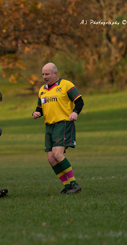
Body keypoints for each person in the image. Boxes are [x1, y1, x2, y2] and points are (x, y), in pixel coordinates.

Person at [32, 62, 84, 194]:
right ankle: (68, 186)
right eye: (43, 74)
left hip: (63, 124)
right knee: (51, 159)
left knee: (57, 154)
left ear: (55, 73)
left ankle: (74, 184)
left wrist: (75, 112)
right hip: (49, 127)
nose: (44, 77)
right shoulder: (42, 90)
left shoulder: (66, 85)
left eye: (47, 74)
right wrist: (36, 113)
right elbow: (40, 108)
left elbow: (79, 101)